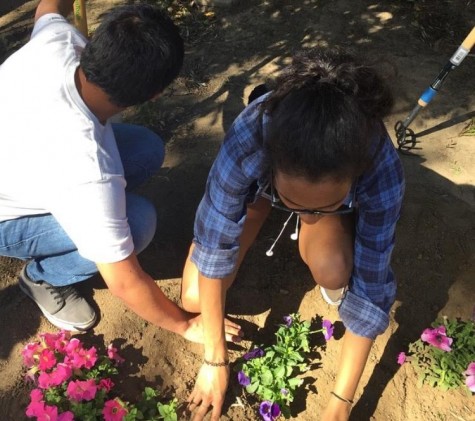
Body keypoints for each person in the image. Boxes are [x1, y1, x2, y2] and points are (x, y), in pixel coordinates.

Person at [0, 0, 242, 354]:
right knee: (137, 222)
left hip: (21, 159)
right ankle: (42, 278)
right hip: (8, 217)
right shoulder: (87, 170)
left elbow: (47, 7)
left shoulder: (60, 40)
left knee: (145, 148)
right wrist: (185, 323)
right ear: (153, 95)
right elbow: (125, 282)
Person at [181, 47, 405, 421]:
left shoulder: (382, 171)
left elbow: (371, 287)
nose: (305, 210)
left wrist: (339, 404)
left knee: (334, 271)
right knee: (193, 297)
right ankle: (270, 201)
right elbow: (214, 243)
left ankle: (315, 212)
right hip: (260, 192)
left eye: (319, 204)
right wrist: (215, 360)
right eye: (294, 199)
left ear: (354, 177)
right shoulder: (248, 140)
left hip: (310, 192)